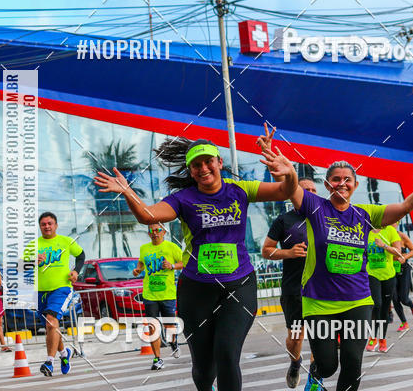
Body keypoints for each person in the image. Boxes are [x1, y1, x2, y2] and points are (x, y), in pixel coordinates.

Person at [94, 137, 298, 391]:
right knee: (204, 371)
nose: (203, 168)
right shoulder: (183, 199)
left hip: (239, 285)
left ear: (219, 162)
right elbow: (148, 216)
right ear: (190, 170)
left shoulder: (240, 190)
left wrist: (290, 173)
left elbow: (285, 191)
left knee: (227, 354)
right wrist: (127, 192)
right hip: (196, 290)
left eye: (208, 162)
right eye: (196, 165)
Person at [285, 160, 413, 391]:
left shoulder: (365, 213)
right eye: (336, 179)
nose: (342, 183)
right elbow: (291, 188)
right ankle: (316, 372)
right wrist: (286, 172)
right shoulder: (315, 207)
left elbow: (405, 206)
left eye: (348, 179)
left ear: (355, 185)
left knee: (353, 363)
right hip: (319, 302)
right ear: (328, 184)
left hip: (358, 300)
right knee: (327, 365)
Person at [262, 177, 317, 388]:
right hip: (294, 289)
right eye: (305, 189)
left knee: (321, 336)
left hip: (323, 289)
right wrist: (288, 253)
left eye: (313, 189)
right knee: (295, 337)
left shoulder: (327, 216)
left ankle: (315, 378)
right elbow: (266, 250)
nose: (310, 192)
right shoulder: (284, 220)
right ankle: (295, 363)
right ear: (295, 192)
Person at [34, 212, 86, 377]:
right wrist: (32, 261)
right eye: (43, 224)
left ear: (56, 225)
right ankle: (64, 354)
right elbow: (20, 265)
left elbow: (81, 255)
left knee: (51, 321)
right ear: (40, 226)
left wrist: (76, 271)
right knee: (51, 326)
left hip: (62, 288)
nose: (47, 226)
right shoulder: (33, 245)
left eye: (50, 223)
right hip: (40, 292)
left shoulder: (66, 241)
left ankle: (49, 362)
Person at [133, 223, 184, 370]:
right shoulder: (144, 248)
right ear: (148, 233)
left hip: (167, 294)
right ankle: (157, 358)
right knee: (152, 326)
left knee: (169, 326)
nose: (154, 233)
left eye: (157, 230)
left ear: (164, 232)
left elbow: (185, 262)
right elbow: (141, 263)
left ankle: (173, 342)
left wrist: (172, 266)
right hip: (150, 294)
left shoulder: (172, 247)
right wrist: (137, 270)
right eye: (151, 230)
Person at [364, 225, 402, 353]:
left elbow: (398, 252)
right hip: (372, 274)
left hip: (388, 276)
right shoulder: (366, 232)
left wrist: (384, 246)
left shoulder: (390, 231)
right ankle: (372, 337)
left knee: (385, 309)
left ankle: (382, 339)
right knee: (376, 304)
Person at [390, 222, 413, 332]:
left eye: (394, 222)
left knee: (404, 298)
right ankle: (404, 323)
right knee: (395, 299)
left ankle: (412, 305)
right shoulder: (384, 236)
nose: (391, 224)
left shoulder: (401, 236)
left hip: (403, 270)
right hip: (390, 271)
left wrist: (405, 257)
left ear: (397, 223)